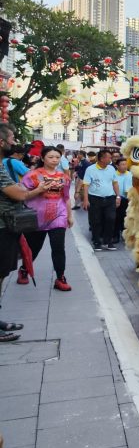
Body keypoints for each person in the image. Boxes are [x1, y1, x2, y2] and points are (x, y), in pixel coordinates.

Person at [0, 123, 54, 341]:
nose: (15, 143)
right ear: (1, 142)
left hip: (6, 227)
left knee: (2, 274)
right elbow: (20, 193)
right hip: (2, 228)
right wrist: (38, 190)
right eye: (12, 138)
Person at [20, 147, 72, 291]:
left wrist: (69, 215)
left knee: (58, 248)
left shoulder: (64, 177)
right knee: (34, 248)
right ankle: (24, 269)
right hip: (37, 218)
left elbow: (66, 197)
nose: (54, 160)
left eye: (57, 157)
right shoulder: (32, 175)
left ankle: (60, 278)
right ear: (43, 158)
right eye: (51, 157)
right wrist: (38, 190)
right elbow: (22, 195)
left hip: (58, 216)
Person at [82, 150, 121, 251]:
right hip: (95, 198)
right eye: (109, 157)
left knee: (111, 219)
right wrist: (85, 200)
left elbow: (115, 183)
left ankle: (108, 242)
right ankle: (97, 242)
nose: (111, 159)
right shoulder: (90, 169)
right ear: (102, 159)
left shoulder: (111, 168)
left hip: (110, 198)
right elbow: (86, 185)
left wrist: (118, 196)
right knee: (96, 221)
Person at [113, 157, 132, 241]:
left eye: (126, 164)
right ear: (117, 166)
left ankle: (124, 235)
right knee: (115, 218)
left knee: (125, 217)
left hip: (126, 199)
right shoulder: (113, 174)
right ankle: (115, 235)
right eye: (122, 164)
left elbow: (128, 190)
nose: (125, 166)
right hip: (115, 198)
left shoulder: (130, 174)